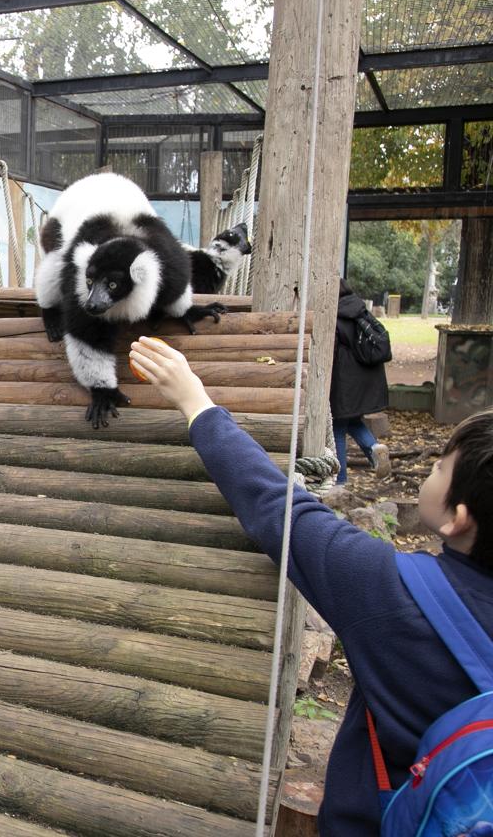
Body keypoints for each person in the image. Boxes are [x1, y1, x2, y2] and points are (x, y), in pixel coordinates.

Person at [129, 335, 493, 835]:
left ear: (458, 519)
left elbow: (279, 509)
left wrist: (195, 400)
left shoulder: (397, 595)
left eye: (438, 468)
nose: (431, 472)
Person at [332, 279, 391, 482]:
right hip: (366, 379)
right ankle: (375, 449)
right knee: (352, 420)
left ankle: (339, 481)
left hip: (345, 382)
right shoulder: (360, 309)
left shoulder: (334, 313)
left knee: (337, 426)